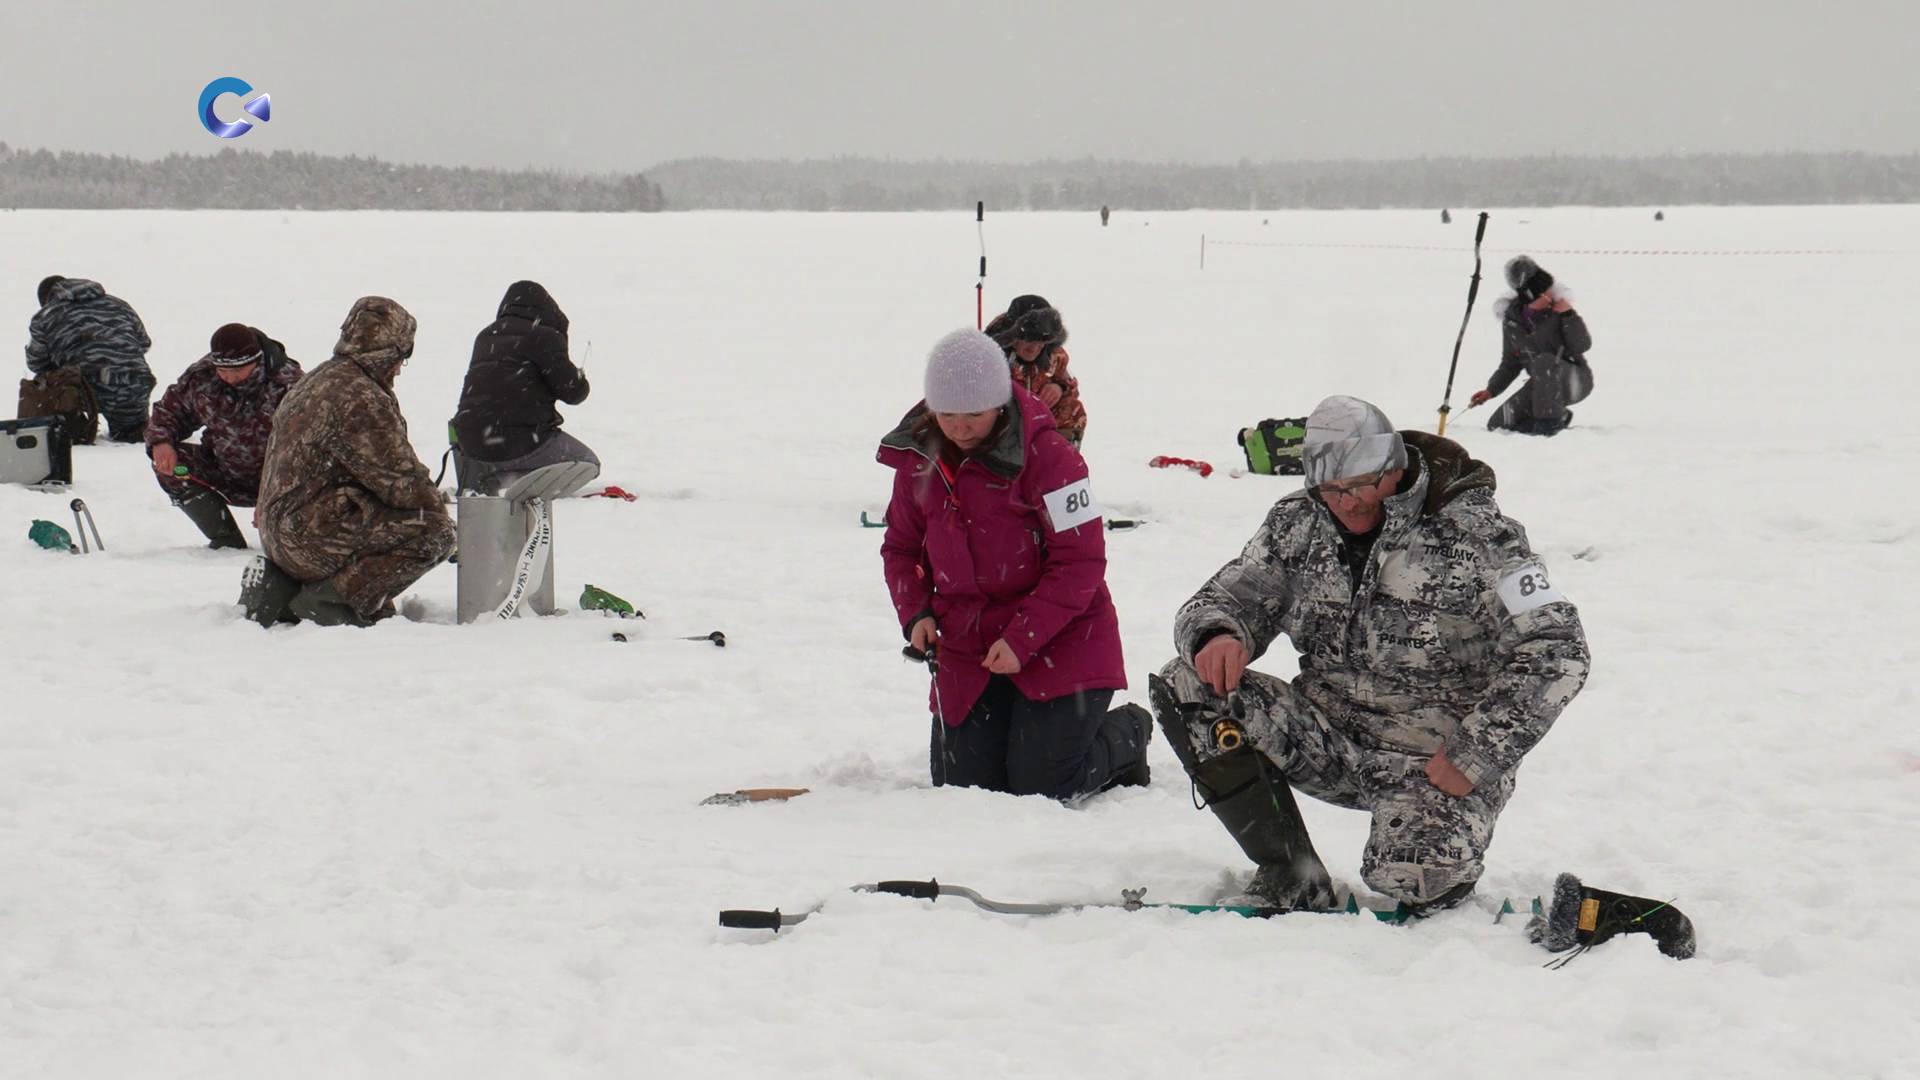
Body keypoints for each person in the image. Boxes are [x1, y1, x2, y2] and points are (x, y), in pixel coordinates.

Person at [1148, 395, 1589, 913]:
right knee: (1188, 684)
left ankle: (1428, 854)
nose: (1349, 501)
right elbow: (1222, 599)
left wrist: (1477, 754)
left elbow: (1559, 650)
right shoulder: (1297, 523)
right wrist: (1218, 634)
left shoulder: (1480, 536)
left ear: (1393, 468)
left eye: (1363, 485)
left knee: (1411, 879)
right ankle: (1291, 871)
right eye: (1333, 489)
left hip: (1433, 759)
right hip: (1326, 733)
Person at [877, 328, 1149, 800]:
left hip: (1062, 638)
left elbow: (1081, 561)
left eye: (973, 415)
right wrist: (915, 613)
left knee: (1042, 785)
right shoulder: (920, 459)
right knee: (965, 788)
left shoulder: (1053, 458)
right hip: (969, 645)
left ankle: (1128, 732)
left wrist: (1023, 636)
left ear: (1000, 403)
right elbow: (901, 548)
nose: (959, 428)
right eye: (946, 415)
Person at [242, 297, 454, 627]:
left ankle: (287, 593)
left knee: (391, 526)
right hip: (307, 535)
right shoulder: (359, 395)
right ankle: (326, 603)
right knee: (434, 532)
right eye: (401, 358)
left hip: (282, 529)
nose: (399, 368)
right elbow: (400, 480)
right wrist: (449, 521)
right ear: (391, 352)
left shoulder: (321, 378)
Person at [146, 323, 303, 549]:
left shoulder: (290, 386)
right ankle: (225, 540)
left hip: (281, 482)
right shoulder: (203, 377)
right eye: (223, 372)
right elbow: (169, 411)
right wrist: (161, 442)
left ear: (255, 361)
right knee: (175, 467)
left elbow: (306, 450)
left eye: (237, 371)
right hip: (223, 473)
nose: (229, 378)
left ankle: (289, 545)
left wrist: (272, 494)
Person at [449, 280, 598, 496]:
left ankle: (492, 478)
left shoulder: (485, 336)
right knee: (587, 463)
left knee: (505, 446)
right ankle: (519, 484)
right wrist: (579, 377)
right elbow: (573, 392)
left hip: (471, 444)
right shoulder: (545, 336)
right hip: (521, 442)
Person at [1469, 256, 1594, 436]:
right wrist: (1491, 390)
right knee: (1498, 425)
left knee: (1544, 361)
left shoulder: (1559, 310)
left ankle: (1549, 426)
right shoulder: (1512, 321)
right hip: (1540, 387)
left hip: (1574, 380)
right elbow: (1510, 363)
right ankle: (1557, 417)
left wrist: (1568, 316)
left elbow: (1582, 345)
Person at [24, 275, 156, 442]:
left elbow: (37, 363)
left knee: (42, 381)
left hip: (87, 391)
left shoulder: (44, 316)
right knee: (132, 435)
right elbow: (144, 343)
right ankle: (131, 427)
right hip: (134, 383)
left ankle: (68, 429)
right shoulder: (119, 304)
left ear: (46, 298)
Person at [984, 294, 1086, 447]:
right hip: (1005, 432)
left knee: (1073, 409)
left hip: (1039, 429)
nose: (1035, 348)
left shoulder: (1053, 355)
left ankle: (1059, 459)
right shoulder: (991, 359)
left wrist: (1060, 388)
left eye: (1042, 342)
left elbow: (1068, 383)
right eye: (1029, 340)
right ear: (1013, 336)